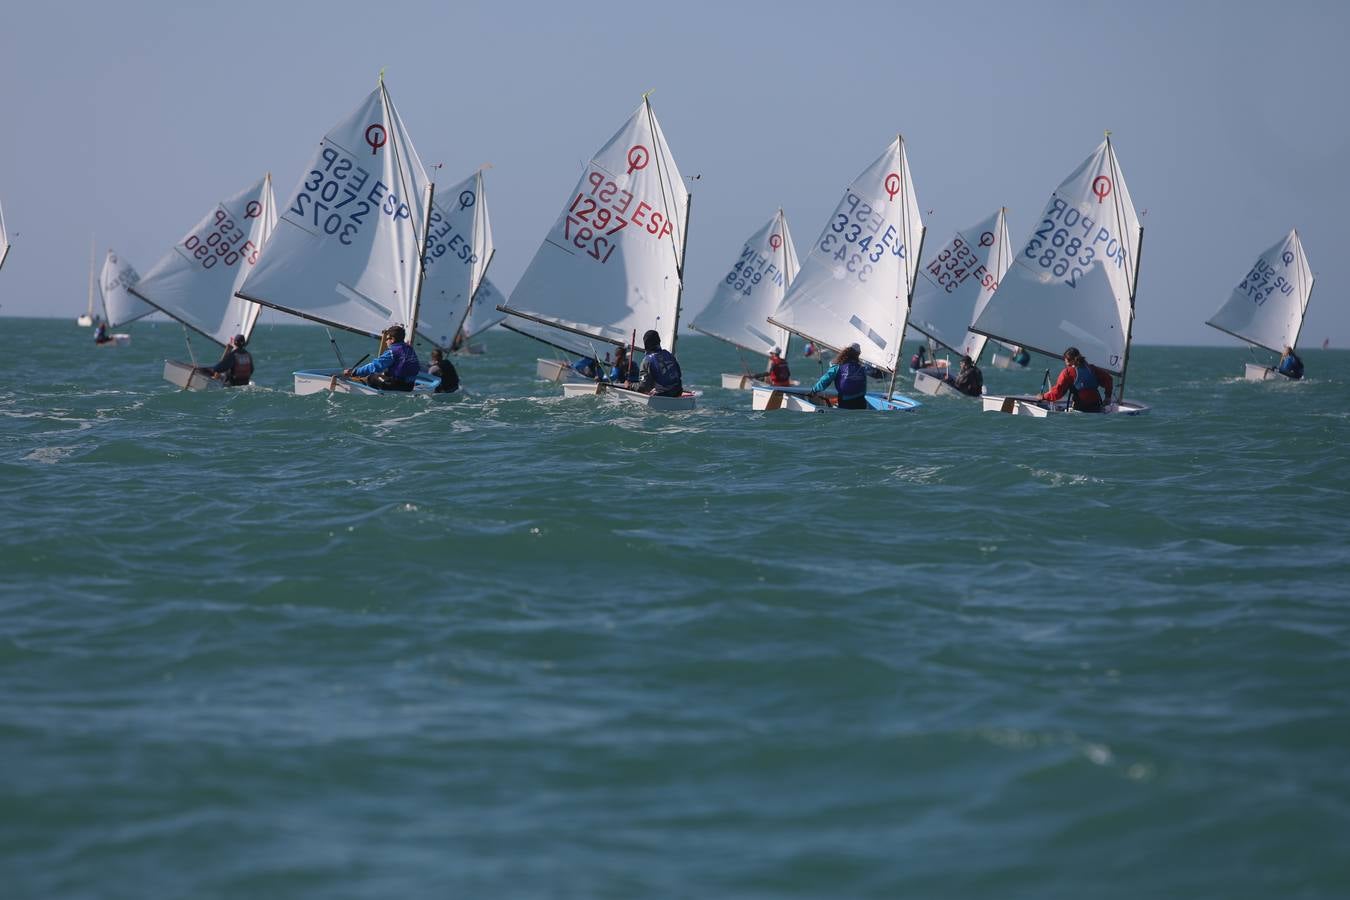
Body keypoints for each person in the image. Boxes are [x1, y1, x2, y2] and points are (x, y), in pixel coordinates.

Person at [345, 324, 420, 391]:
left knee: (372, 377)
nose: (386, 342)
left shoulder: (392, 351)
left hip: (396, 385)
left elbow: (375, 366)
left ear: (392, 339)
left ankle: (361, 380)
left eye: (387, 339)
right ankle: (363, 378)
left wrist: (355, 372)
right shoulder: (409, 349)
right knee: (386, 373)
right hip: (410, 386)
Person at [1039, 346, 1113, 412]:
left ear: (1069, 360)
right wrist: (1108, 397)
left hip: (1080, 408)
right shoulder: (1092, 369)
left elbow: (1058, 393)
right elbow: (1109, 379)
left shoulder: (1068, 372)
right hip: (1096, 407)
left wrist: (1043, 396)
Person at [808, 342, 870, 409]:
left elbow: (825, 380)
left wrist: (814, 390)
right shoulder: (862, 367)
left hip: (845, 402)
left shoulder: (837, 367)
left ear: (845, 352)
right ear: (858, 354)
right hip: (861, 401)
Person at [628, 329, 683, 396]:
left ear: (646, 344)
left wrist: (630, 385)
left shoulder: (647, 360)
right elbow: (679, 374)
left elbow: (643, 387)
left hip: (662, 396)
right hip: (677, 392)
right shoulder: (669, 354)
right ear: (659, 341)